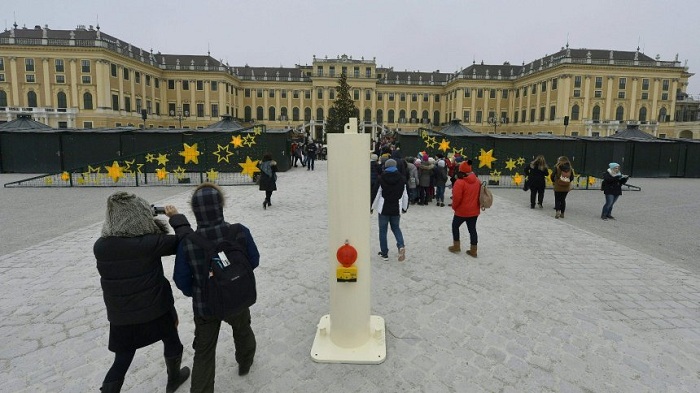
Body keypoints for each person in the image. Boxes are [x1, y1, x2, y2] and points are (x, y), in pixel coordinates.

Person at [94, 192, 192, 393]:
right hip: (156, 308)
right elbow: (186, 240)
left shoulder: (101, 247)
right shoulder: (150, 243)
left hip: (122, 315)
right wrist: (174, 217)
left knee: (122, 359)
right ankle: (173, 379)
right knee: (172, 342)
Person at [174, 183, 259, 392]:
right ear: (221, 206)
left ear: (195, 212)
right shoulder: (239, 231)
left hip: (206, 306)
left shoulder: (188, 242)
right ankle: (245, 362)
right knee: (242, 328)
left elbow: (181, 279)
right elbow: (254, 261)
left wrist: (197, 291)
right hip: (236, 296)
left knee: (204, 351)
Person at [371, 158, 409, 262]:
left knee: (383, 230)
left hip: (384, 208)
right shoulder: (402, 179)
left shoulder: (381, 178)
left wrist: (371, 207)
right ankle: (401, 246)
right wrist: (405, 208)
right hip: (396, 208)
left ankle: (384, 253)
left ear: (386, 166)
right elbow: (405, 195)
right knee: (396, 228)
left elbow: (377, 194)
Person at [449, 160, 481, 258]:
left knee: (455, 226)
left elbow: (456, 198)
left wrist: (454, 207)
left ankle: (456, 246)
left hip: (462, 211)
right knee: (472, 230)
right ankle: (473, 250)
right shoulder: (477, 181)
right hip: (474, 210)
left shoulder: (460, 182)